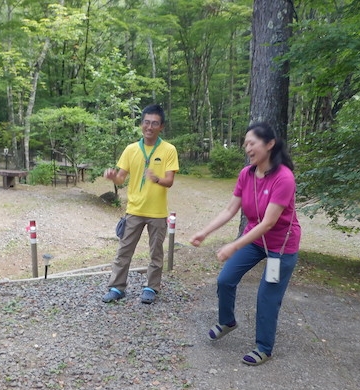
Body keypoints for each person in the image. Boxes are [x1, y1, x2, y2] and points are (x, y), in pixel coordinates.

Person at [189, 122, 301, 366]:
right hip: (255, 240)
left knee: (267, 296)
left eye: (252, 143)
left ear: (269, 144)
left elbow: (269, 223)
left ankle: (264, 347)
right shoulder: (246, 174)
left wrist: (234, 245)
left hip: (278, 249)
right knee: (225, 279)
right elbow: (230, 210)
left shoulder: (284, 178)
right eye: (245, 144)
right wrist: (204, 232)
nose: (247, 148)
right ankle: (227, 321)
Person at [102, 104, 179, 304]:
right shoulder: (130, 150)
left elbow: (169, 181)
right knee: (124, 251)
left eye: (155, 123)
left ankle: (151, 288)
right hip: (134, 209)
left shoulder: (169, 150)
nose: (150, 127)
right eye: (146, 122)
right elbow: (121, 179)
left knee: (156, 252)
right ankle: (117, 287)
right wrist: (113, 177)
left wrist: (156, 179)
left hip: (157, 212)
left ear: (161, 126)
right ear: (141, 124)